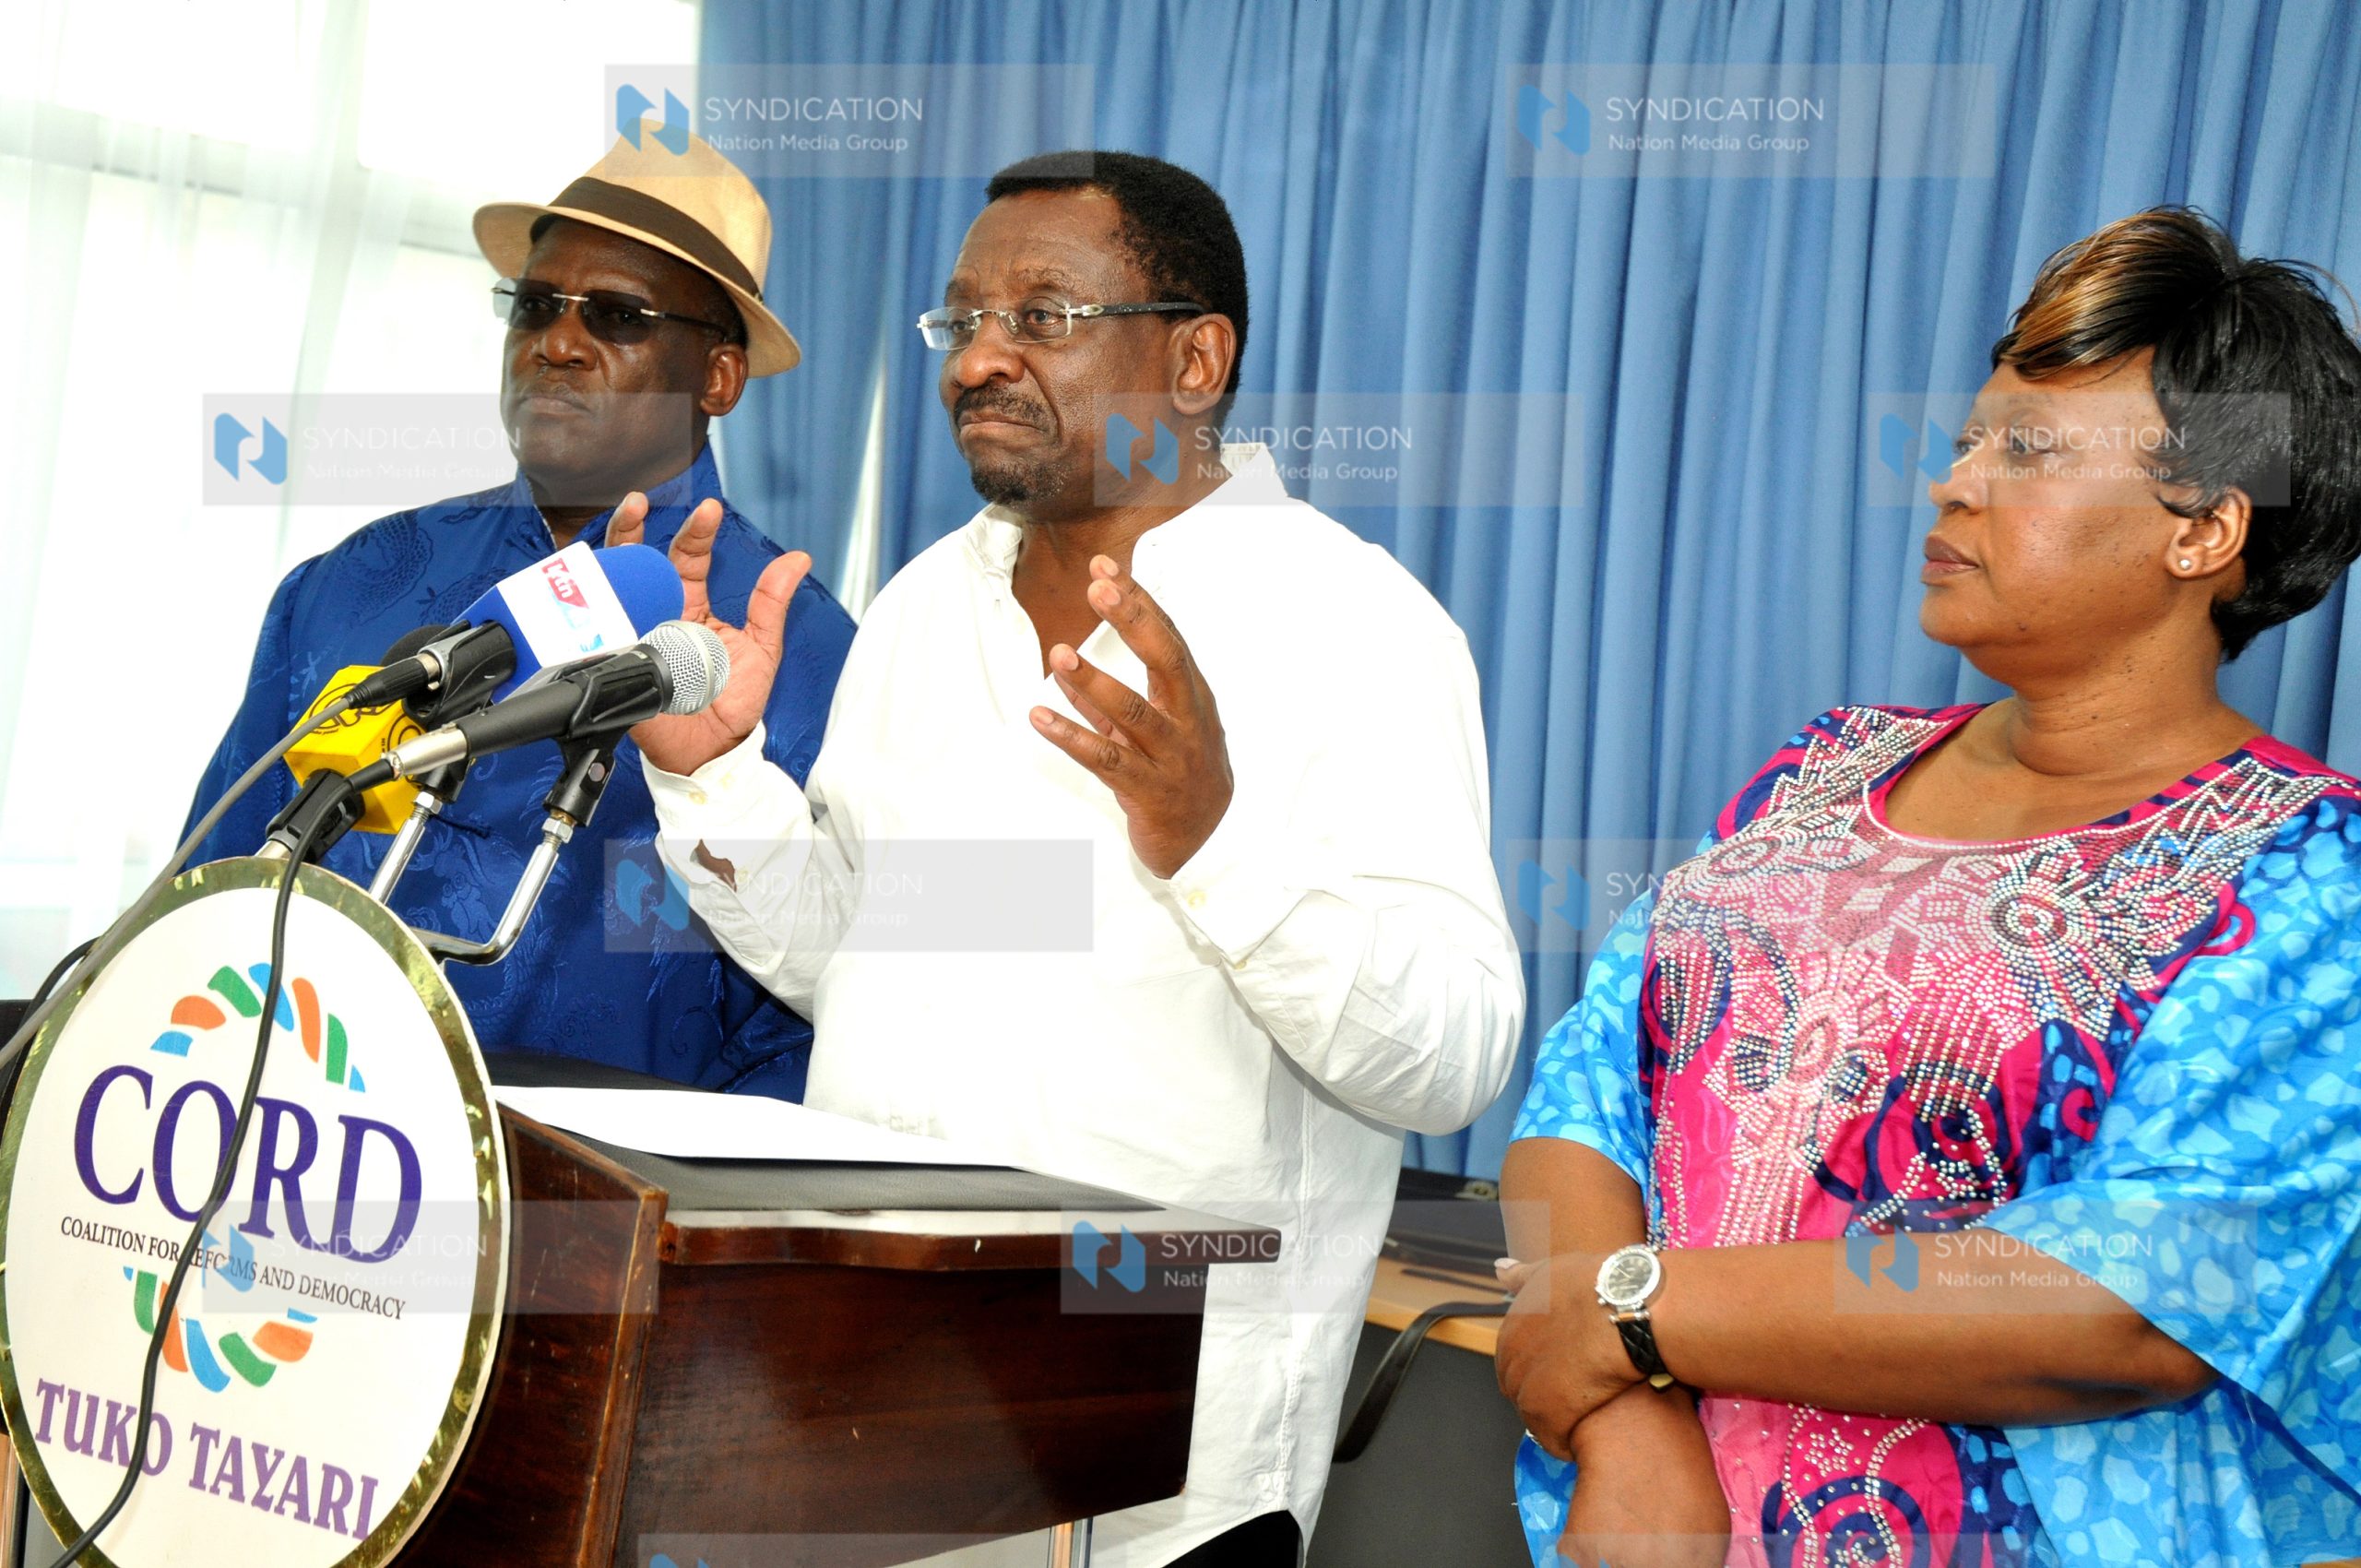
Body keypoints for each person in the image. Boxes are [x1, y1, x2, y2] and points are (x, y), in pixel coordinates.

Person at [615, 150, 1524, 1565]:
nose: (979, 357)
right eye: (962, 318)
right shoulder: (926, 604)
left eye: (1043, 316)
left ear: (1198, 356)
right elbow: (853, 959)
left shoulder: (1358, 630)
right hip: (864, 1408)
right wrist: (716, 783)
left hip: (1151, 1472)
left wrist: (1216, 845)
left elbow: (1457, 1056)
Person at [1494, 206, 2361, 1568]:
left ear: (2204, 532)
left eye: (2026, 452)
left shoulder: (2307, 876)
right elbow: (1585, 1099)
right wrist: (1629, 1427)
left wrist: (1640, 1316)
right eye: (1970, 441)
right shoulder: (1818, 776)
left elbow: (2130, 1308)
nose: (1956, 483)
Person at [184, 130, 856, 1097]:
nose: (558, 341)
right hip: (300, 1159)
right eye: (535, 305)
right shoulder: (352, 583)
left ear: (717, 376)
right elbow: (219, 878)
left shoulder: (803, 651)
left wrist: (687, 1228)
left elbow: (819, 1017)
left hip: (612, 1211)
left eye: (618, 316)